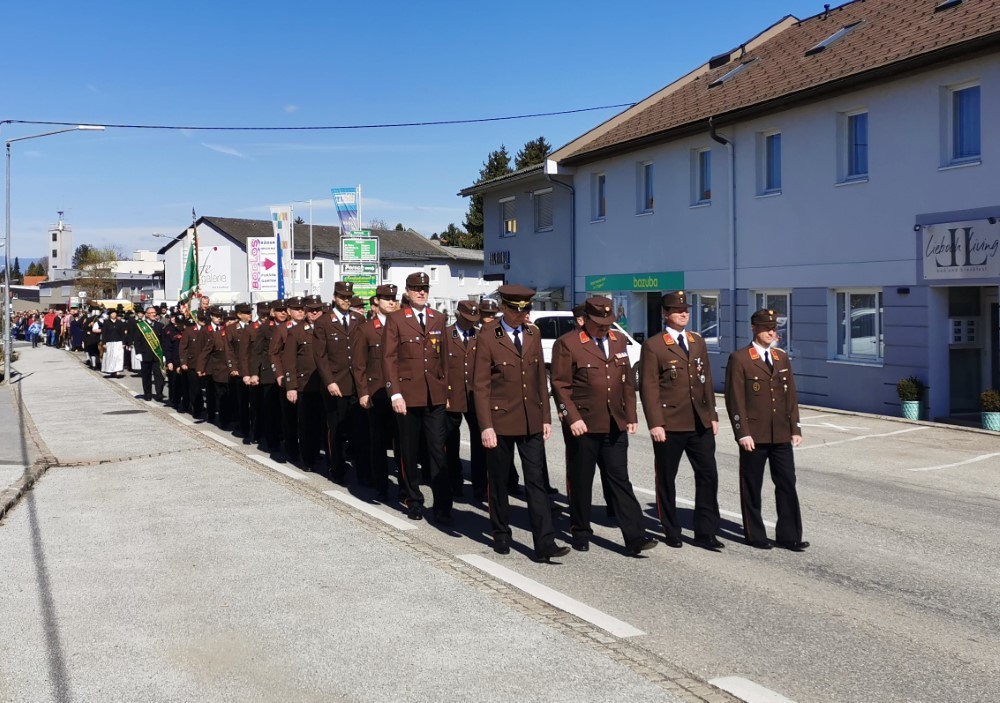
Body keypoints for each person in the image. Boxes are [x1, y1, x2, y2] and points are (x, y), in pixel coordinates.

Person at [551, 296, 656, 557]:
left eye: (607, 323)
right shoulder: (568, 343)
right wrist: (571, 417)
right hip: (583, 425)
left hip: (614, 423)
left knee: (620, 480)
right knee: (582, 479)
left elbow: (626, 381)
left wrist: (631, 414)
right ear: (585, 320)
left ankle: (635, 536)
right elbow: (560, 385)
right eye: (599, 323)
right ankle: (580, 530)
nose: (604, 328)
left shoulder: (618, 340)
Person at [473, 284, 569, 562]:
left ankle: (545, 543)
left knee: (536, 482)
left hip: (530, 420)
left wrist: (545, 417)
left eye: (525, 310)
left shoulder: (532, 333)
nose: (521, 315)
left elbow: (539, 377)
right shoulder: (488, 335)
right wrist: (486, 426)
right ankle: (501, 532)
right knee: (499, 481)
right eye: (516, 310)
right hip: (500, 420)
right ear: (503, 308)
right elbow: (481, 385)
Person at [639, 291, 723, 551]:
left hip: (699, 422)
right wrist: (655, 423)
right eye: (678, 310)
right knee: (667, 478)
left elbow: (705, 380)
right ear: (666, 314)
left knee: (708, 476)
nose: (684, 313)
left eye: (686, 309)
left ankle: (705, 532)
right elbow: (649, 388)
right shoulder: (654, 345)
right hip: (670, 423)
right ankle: (671, 529)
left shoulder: (696, 341)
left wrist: (712, 414)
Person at [724, 308, 808, 552]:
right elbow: (735, 399)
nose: (771, 333)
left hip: (780, 432)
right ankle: (755, 534)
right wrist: (742, 432)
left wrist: (795, 427)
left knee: (787, 483)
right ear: (754, 329)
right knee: (752, 485)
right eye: (766, 329)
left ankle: (789, 536)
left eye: (773, 329)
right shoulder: (740, 359)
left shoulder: (781, 357)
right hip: (755, 434)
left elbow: (790, 396)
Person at [382, 271, 451, 522]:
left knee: (437, 451)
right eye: (416, 289)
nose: (421, 292)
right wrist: (395, 393)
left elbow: (443, 359)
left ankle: (443, 506)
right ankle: (413, 499)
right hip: (408, 396)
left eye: (425, 289)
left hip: (434, 396)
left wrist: (446, 390)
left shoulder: (438, 318)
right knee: (409, 451)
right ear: (407, 292)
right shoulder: (397, 319)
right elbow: (389, 358)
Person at [316, 281, 367, 483]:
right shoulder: (324, 322)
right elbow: (320, 356)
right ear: (334, 298)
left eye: (348, 297)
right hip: (336, 383)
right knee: (335, 428)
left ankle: (363, 471)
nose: (346, 300)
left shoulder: (358, 319)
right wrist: (329, 381)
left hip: (357, 383)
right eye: (342, 297)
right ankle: (336, 467)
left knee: (359, 429)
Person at [353, 284, 400, 501]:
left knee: (402, 442)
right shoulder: (366, 329)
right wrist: (363, 392)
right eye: (386, 298)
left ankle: (405, 487)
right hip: (376, 392)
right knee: (378, 441)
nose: (391, 302)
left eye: (393, 298)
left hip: (400, 392)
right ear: (376, 302)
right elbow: (359, 364)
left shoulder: (403, 325)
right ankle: (381, 485)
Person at [444, 300, 486, 501]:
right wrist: (443, 395)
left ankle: (480, 485)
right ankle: (454, 482)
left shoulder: (480, 336)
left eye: (474, 319)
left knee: (480, 443)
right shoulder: (445, 335)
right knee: (450, 442)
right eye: (468, 319)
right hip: (452, 396)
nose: (471, 323)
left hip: (475, 397)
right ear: (458, 314)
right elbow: (440, 367)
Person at [283, 295, 326, 470]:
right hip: (306, 385)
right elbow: (289, 361)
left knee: (324, 424)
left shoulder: (329, 328)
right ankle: (308, 458)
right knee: (307, 425)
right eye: (311, 310)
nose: (315, 313)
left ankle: (324, 456)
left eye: (318, 309)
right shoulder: (296, 331)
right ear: (306, 310)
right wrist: (291, 386)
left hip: (327, 384)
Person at [129, 305, 168, 401]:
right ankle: (147, 394)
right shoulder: (141, 326)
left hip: (157, 355)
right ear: (146, 314)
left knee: (159, 375)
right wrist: (138, 353)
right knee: (146, 376)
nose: (153, 314)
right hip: (145, 355)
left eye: (154, 313)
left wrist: (163, 354)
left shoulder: (160, 326)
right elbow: (137, 340)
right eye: (151, 313)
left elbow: (163, 341)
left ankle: (159, 393)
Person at [100, 308, 127, 378]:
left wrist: (124, 343)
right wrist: (104, 343)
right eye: (112, 313)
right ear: (110, 315)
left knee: (118, 357)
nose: (114, 315)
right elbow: (104, 333)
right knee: (110, 357)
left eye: (115, 313)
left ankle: (117, 371)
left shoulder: (120, 323)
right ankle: (111, 370)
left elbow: (123, 333)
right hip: (109, 342)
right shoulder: (106, 323)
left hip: (118, 342)